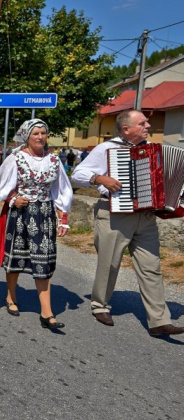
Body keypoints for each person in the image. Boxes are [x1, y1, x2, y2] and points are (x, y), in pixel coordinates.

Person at [71, 110, 184, 336]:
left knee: (151, 267)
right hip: (114, 214)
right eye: (142, 123)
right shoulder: (106, 149)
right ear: (126, 129)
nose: (148, 126)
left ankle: (159, 320)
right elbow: (77, 174)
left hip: (147, 216)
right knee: (109, 264)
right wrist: (98, 178)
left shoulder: (154, 150)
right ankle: (100, 305)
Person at [0, 119, 72, 330]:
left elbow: (61, 189)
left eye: (43, 133)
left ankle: (46, 312)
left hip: (44, 213)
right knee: (16, 257)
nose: (40, 137)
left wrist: (62, 218)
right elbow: (1, 185)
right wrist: (12, 199)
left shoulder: (54, 160)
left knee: (44, 260)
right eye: (35, 133)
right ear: (27, 136)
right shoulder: (16, 158)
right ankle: (11, 296)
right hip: (21, 211)